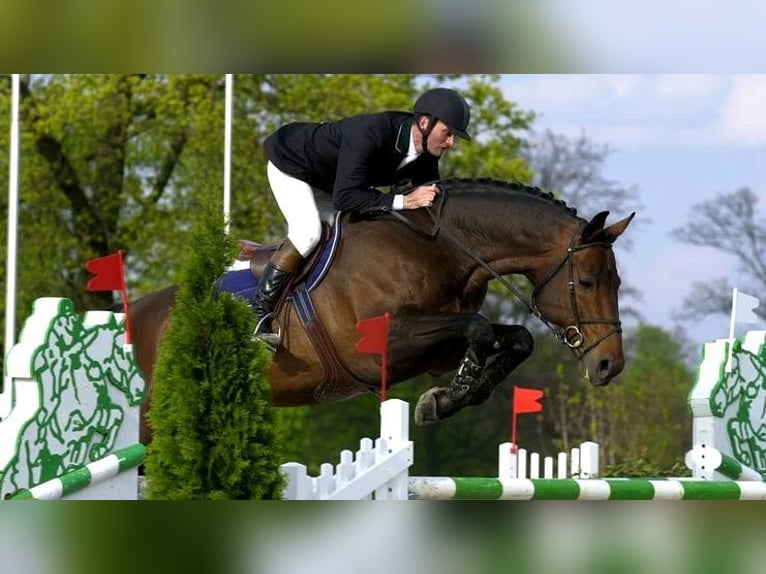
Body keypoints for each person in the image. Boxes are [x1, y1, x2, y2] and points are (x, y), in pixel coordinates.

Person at [252, 87, 472, 343]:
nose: (451, 143)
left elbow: (430, 209)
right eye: (447, 134)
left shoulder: (426, 158)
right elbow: (345, 198)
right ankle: (259, 313)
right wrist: (403, 200)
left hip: (331, 183)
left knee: (352, 236)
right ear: (424, 122)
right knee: (309, 233)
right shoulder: (372, 132)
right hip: (292, 164)